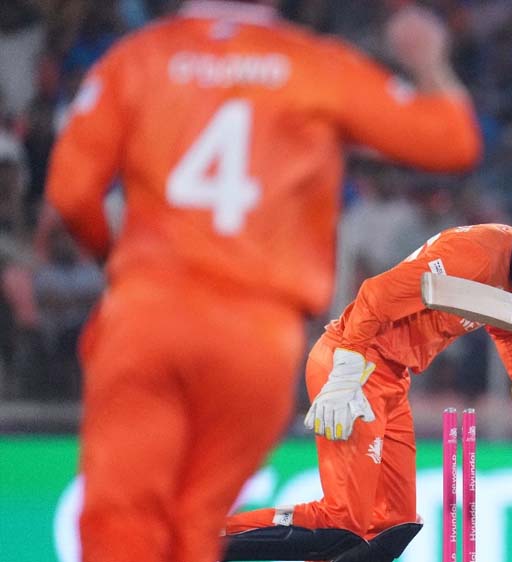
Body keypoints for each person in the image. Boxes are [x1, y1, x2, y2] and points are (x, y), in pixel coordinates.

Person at [43, 2, 481, 561]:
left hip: (149, 310)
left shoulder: (138, 59)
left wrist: (118, 264)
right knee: (198, 524)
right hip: (256, 334)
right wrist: (427, 60)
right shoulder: (315, 66)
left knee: (120, 517)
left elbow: (70, 195)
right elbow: (452, 141)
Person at [222, 204, 512, 562]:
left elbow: (506, 327)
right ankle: (201, 542)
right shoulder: (474, 255)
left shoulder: (509, 272)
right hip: (356, 363)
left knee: (393, 526)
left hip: (391, 377)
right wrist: (345, 374)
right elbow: (375, 294)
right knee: (342, 523)